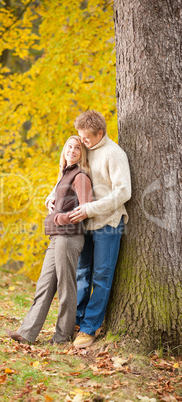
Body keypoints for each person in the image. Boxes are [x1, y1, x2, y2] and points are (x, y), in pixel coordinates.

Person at [46, 110, 131, 348]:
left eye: (86, 138)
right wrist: (51, 197)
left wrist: (91, 209)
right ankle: (75, 320)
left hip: (107, 223)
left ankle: (89, 327)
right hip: (83, 224)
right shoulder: (86, 149)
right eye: (80, 137)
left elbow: (124, 192)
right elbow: (69, 173)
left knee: (101, 277)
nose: (81, 142)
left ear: (100, 133)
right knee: (82, 273)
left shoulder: (114, 154)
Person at [6, 136, 94, 344]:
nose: (72, 150)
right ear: (64, 150)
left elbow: (87, 208)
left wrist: (57, 218)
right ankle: (27, 333)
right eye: (69, 147)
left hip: (69, 237)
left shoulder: (81, 176)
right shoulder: (65, 174)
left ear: (82, 154)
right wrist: (52, 199)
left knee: (66, 287)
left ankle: (63, 336)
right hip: (57, 237)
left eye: (77, 148)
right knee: (44, 285)